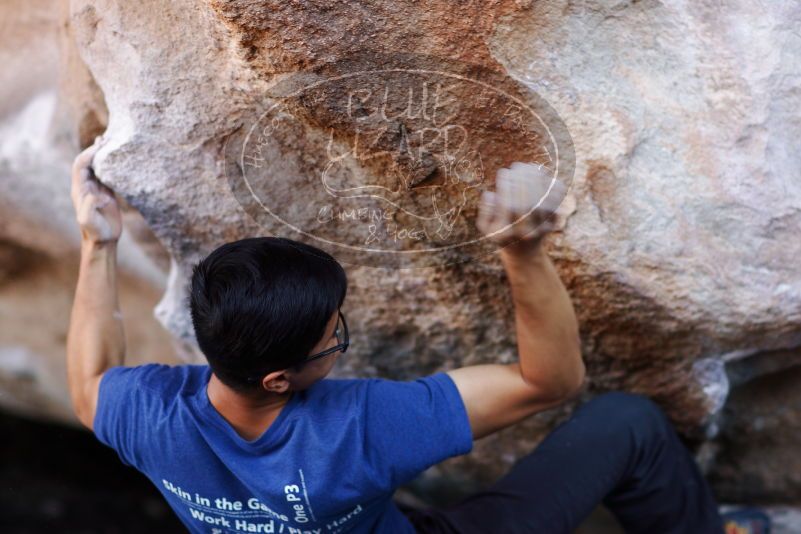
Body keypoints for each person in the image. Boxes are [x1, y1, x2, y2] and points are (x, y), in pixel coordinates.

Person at [66, 137, 764, 534]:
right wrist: (522, 255)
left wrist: (97, 245)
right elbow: (548, 382)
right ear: (280, 378)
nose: (341, 334)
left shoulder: (146, 417)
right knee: (626, 422)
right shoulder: (361, 430)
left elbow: (86, 384)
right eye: (331, 336)